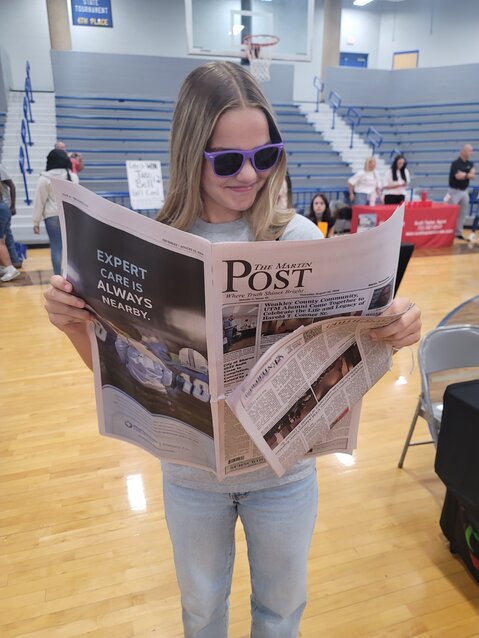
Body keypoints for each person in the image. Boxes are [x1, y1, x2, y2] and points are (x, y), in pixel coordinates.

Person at [43, 61, 422, 638]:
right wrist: (75, 327)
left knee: (281, 609)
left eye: (264, 156)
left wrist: (393, 327)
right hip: (191, 477)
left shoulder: (297, 238)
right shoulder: (153, 247)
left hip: (284, 475)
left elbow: (343, 352)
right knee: (201, 610)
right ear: (189, 151)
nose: (249, 175)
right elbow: (124, 371)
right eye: (227, 161)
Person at [33, 149, 79, 275]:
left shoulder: (44, 178)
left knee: (56, 247)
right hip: (69, 215)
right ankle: (71, 276)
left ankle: (58, 277)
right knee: (70, 249)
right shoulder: (72, 176)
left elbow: (39, 201)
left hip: (52, 217)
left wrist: (36, 221)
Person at [446, 143, 475, 239]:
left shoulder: (470, 164)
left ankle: (458, 232)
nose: (471, 152)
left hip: (464, 191)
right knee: (451, 212)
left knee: (463, 212)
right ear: (463, 151)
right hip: (454, 191)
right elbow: (457, 177)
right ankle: (448, 231)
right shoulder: (455, 163)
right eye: (469, 150)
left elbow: (473, 176)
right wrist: (468, 175)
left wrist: (465, 175)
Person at [0, 163, 23, 269]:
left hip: (3, 205)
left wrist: (13, 205)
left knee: (3, 238)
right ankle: (14, 261)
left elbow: (12, 186)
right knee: (7, 235)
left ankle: (10, 265)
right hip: (3, 206)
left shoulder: (0, 168)